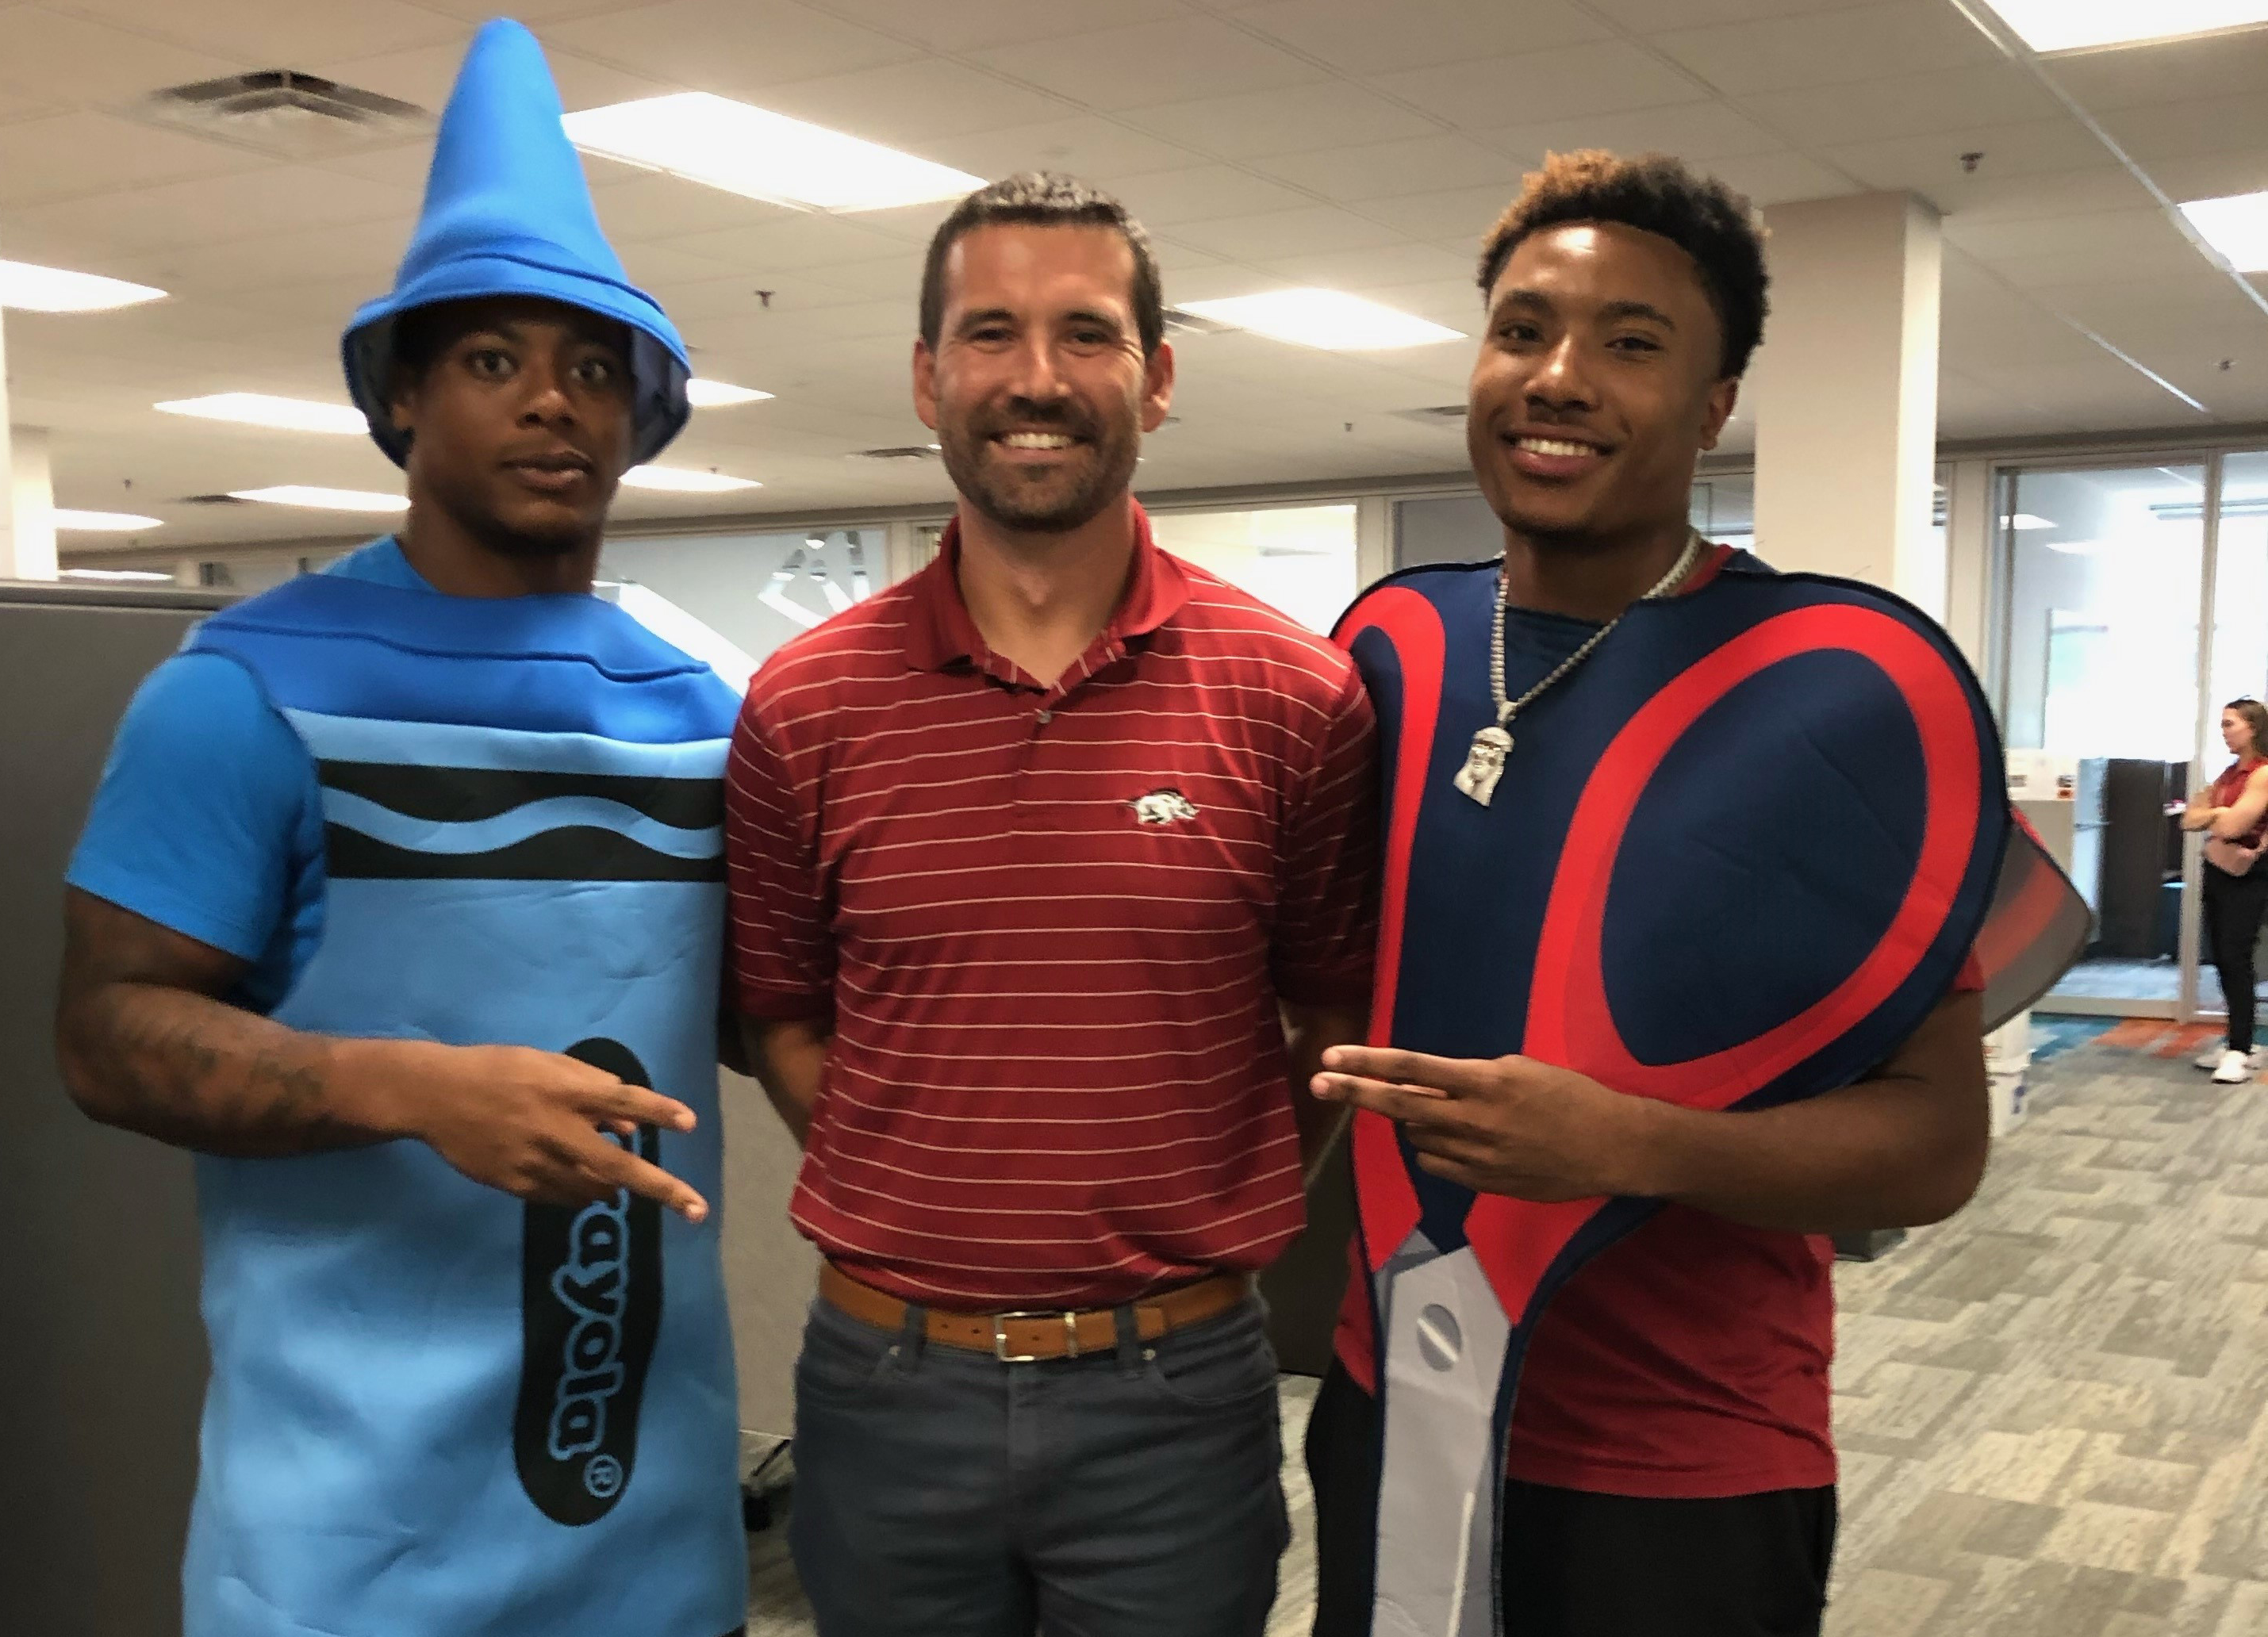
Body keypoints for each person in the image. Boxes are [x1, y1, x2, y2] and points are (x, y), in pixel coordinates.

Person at [1300, 151, 2077, 1637]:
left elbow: (1932, 1145)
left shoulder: (1833, 700)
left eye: (1630, 343)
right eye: (1522, 330)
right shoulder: (1388, 647)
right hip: (1388, 1390)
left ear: (1713, 404)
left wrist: (1627, 1142)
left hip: (1679, 1457)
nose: (1559, 376)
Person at [52, 22, 746, 1637]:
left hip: (648, 1524)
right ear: (403, 401)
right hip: (344, 1548)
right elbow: (105, 1036)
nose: (553, 406)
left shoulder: (706, 707)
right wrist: (406, 1086)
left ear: (642, 417)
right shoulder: (247, 694)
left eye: (593, 369)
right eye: (495, 362)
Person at [722, 171, 1380, 1637]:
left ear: (1153, 376)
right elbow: (778, 1004)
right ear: (924, 376)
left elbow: (1330, 1005)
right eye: (989, 333)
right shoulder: (802, 702)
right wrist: (917, 1173)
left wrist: (1205, 1199)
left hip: (1177, 1386)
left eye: (1084, 334)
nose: (1035, 379)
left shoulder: (1291, 691)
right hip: (884, 1384)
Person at [2182, 697, 2268, 1084]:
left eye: (2230, 724)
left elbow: (2233, 827)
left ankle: (2239, 1050)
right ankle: (2239, 1042)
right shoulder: (2229, 774)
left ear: (2253, 728)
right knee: (2223, 957)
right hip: (2220, 871)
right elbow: (2189, 818)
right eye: (2221, 724)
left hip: (2248, 874)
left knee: (2236, 957)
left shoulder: (2262, 774)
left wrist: (2216, 816)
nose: (2223, 731)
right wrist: (2218, 815)